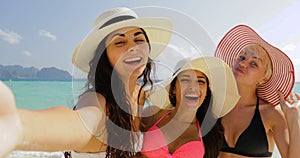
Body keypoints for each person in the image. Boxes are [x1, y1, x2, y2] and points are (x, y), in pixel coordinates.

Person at [0, 7, 173, 158]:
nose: (132, 47)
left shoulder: (140, 93)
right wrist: (19, 126)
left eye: (139, 39)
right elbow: (80, 122)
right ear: (103, 57)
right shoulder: (97, 101)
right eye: (119, 42)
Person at [214, 24, 300, 158]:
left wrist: (293, 117)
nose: (243, 64)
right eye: (242, 57)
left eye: (253, 63)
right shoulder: (215, 108)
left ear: (264, 78)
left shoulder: (271, 114)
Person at [138, 57, 240, 158]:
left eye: (200, 81)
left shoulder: (211, 134)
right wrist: (136, 108)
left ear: (206, 93)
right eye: (185, 80)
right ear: (173, 89)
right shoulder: (152, 115)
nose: (193, 87)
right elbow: (127, 142)